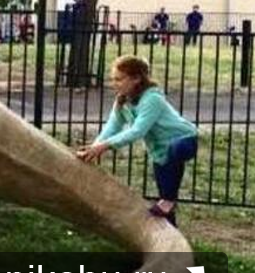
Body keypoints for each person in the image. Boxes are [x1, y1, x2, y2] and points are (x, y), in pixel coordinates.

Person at [76, 55, 198, 226]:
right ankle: (171, 229)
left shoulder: (152, 99)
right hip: (159, 150)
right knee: (164, 200)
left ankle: (169, 200)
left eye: (119, 79)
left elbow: (137, 131)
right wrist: (95, 147)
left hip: (185, 140)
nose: (114, 83)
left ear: (136, 79)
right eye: (113, 79)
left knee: (174, 153)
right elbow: (112, 126)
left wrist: (105, 146)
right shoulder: (122, 101)